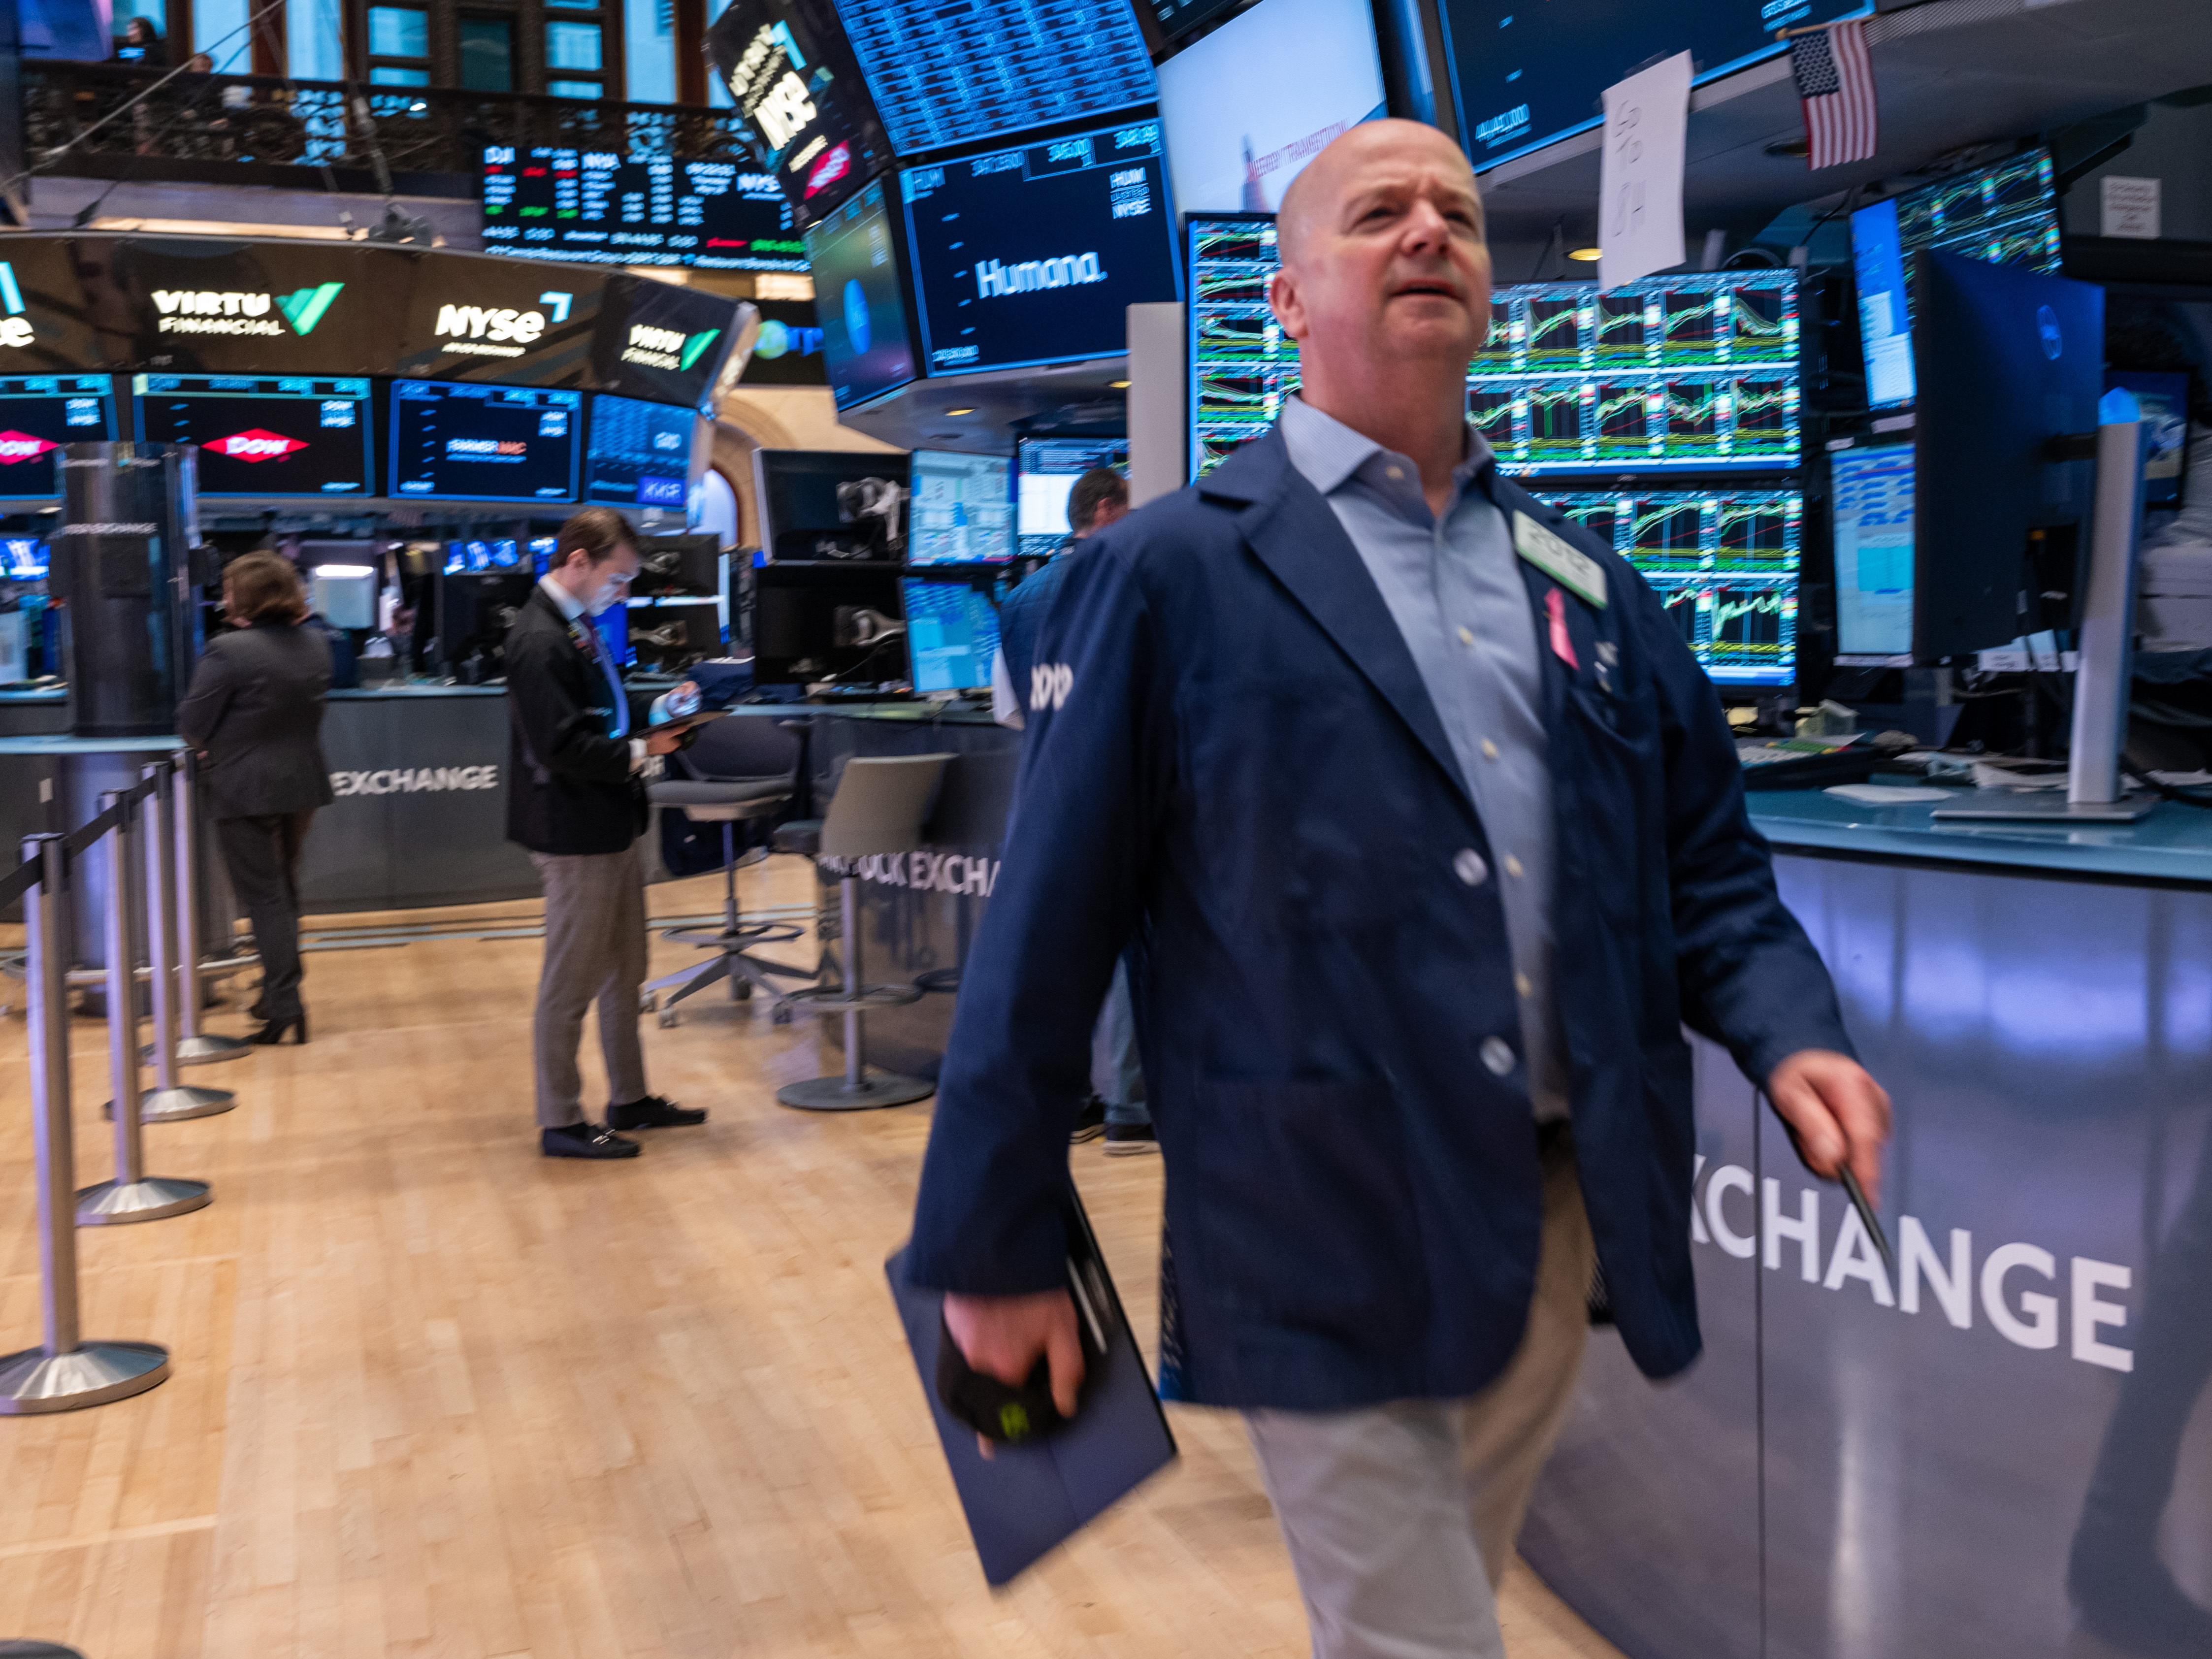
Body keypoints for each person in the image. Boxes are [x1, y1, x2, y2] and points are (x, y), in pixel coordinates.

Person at [905, 120, 1891, 1659]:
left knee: (1425, 1615)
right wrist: (994, 1238)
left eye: (1459, 214)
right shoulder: (1163, 576)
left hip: (1551, 1218)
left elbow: (1702, 869)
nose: (1430, 230)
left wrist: (1791, 1030)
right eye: (1378, 213)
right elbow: (1044, 930)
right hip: (1316, 1216)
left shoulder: (1590, 585)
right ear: (1288, 297)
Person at [505, 507, 704, 1161]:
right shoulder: (539, 638)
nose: (622, 593)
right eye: (617, 579)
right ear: (579, 561)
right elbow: (562, 747)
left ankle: (630, 1097)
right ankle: (561, 1119)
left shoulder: (575, 625)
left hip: (608, 821)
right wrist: (646, 751)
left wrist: (660, 710)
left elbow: (603, 714)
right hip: (573, 829)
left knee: (626, 970)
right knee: (571, 981)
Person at [987, 468, 1153, 1154]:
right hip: (1119, 791)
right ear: (1108, 510)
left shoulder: (1018, 600)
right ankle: (1131, 1110)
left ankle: (1074, 1101)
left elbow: (1008, 709)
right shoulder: (1131, 583)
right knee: (1131, 951)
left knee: (1063, 948)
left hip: (1044, 794)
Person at [176, 552, 334, 1046]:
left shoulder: (229, 650)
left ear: (245, 598)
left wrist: (213, 744)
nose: (223, 598)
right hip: (302, 783)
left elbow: (192, 722)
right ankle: (276, 995)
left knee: (264, 897)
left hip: (244, 787)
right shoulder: (317, 643)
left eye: (229, 590)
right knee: (284, 892)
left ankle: (285, 1005)